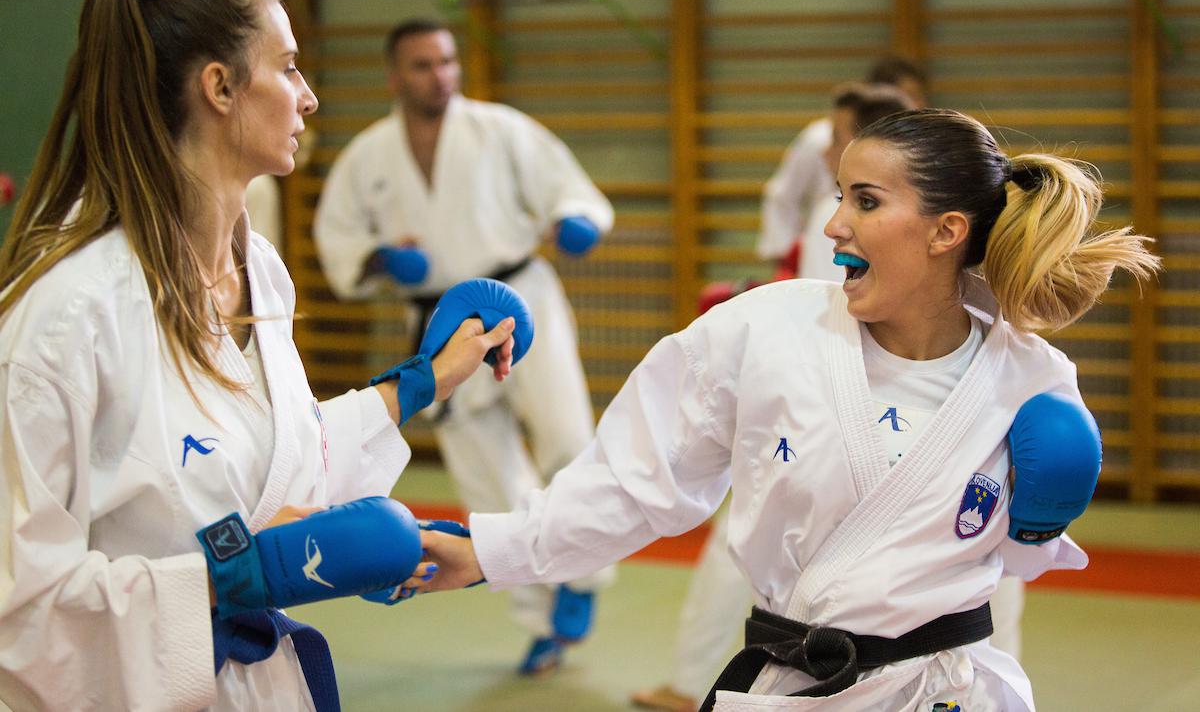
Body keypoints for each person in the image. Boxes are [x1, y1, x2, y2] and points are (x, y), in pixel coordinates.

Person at [412, 108, 1160, 711]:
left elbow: (1019, 562)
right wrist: (492, 551)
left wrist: (1049, 512)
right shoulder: (760, 332)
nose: (833, 224)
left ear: (946, 230)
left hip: (945, 694)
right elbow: (634, 481)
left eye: (865, 201)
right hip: (796, 683)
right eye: (839, 196)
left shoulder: (1031, 382)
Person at [0, 0, 515, 710]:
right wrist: (238, 576)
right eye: (289, 67)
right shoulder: (65, 319)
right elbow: (19, 605)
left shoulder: (260, 269)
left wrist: (423, 382)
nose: (309, 96)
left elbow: (267, 469)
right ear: (219, 87)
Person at [313, 18, 616, 674]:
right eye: (423, 65)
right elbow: (337, 237)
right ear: (395, 76)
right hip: (440, 318)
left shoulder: (500, 129)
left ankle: (584, 579)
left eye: (448, 61)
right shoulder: (369, 154)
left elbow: (572, 189)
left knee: (568, 440)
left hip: (520, 295)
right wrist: (380, 258)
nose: (439, 75)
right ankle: (538, 620)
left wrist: (576, 222)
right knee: (487, 477)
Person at [633, 82, 918, 712]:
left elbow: (823, 319)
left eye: (837, 137)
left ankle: (692, 683)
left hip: (831, 409)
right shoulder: (883, 210)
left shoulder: (850, 217)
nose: (823, 149)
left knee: (746, 541)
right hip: (878, 411)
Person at [756, 56, 928, 268]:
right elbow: (781, 197)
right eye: (909, 95)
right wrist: (784, 260)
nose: (916, 104)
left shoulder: (917, 200)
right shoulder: (816, 140)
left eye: (918, 96)